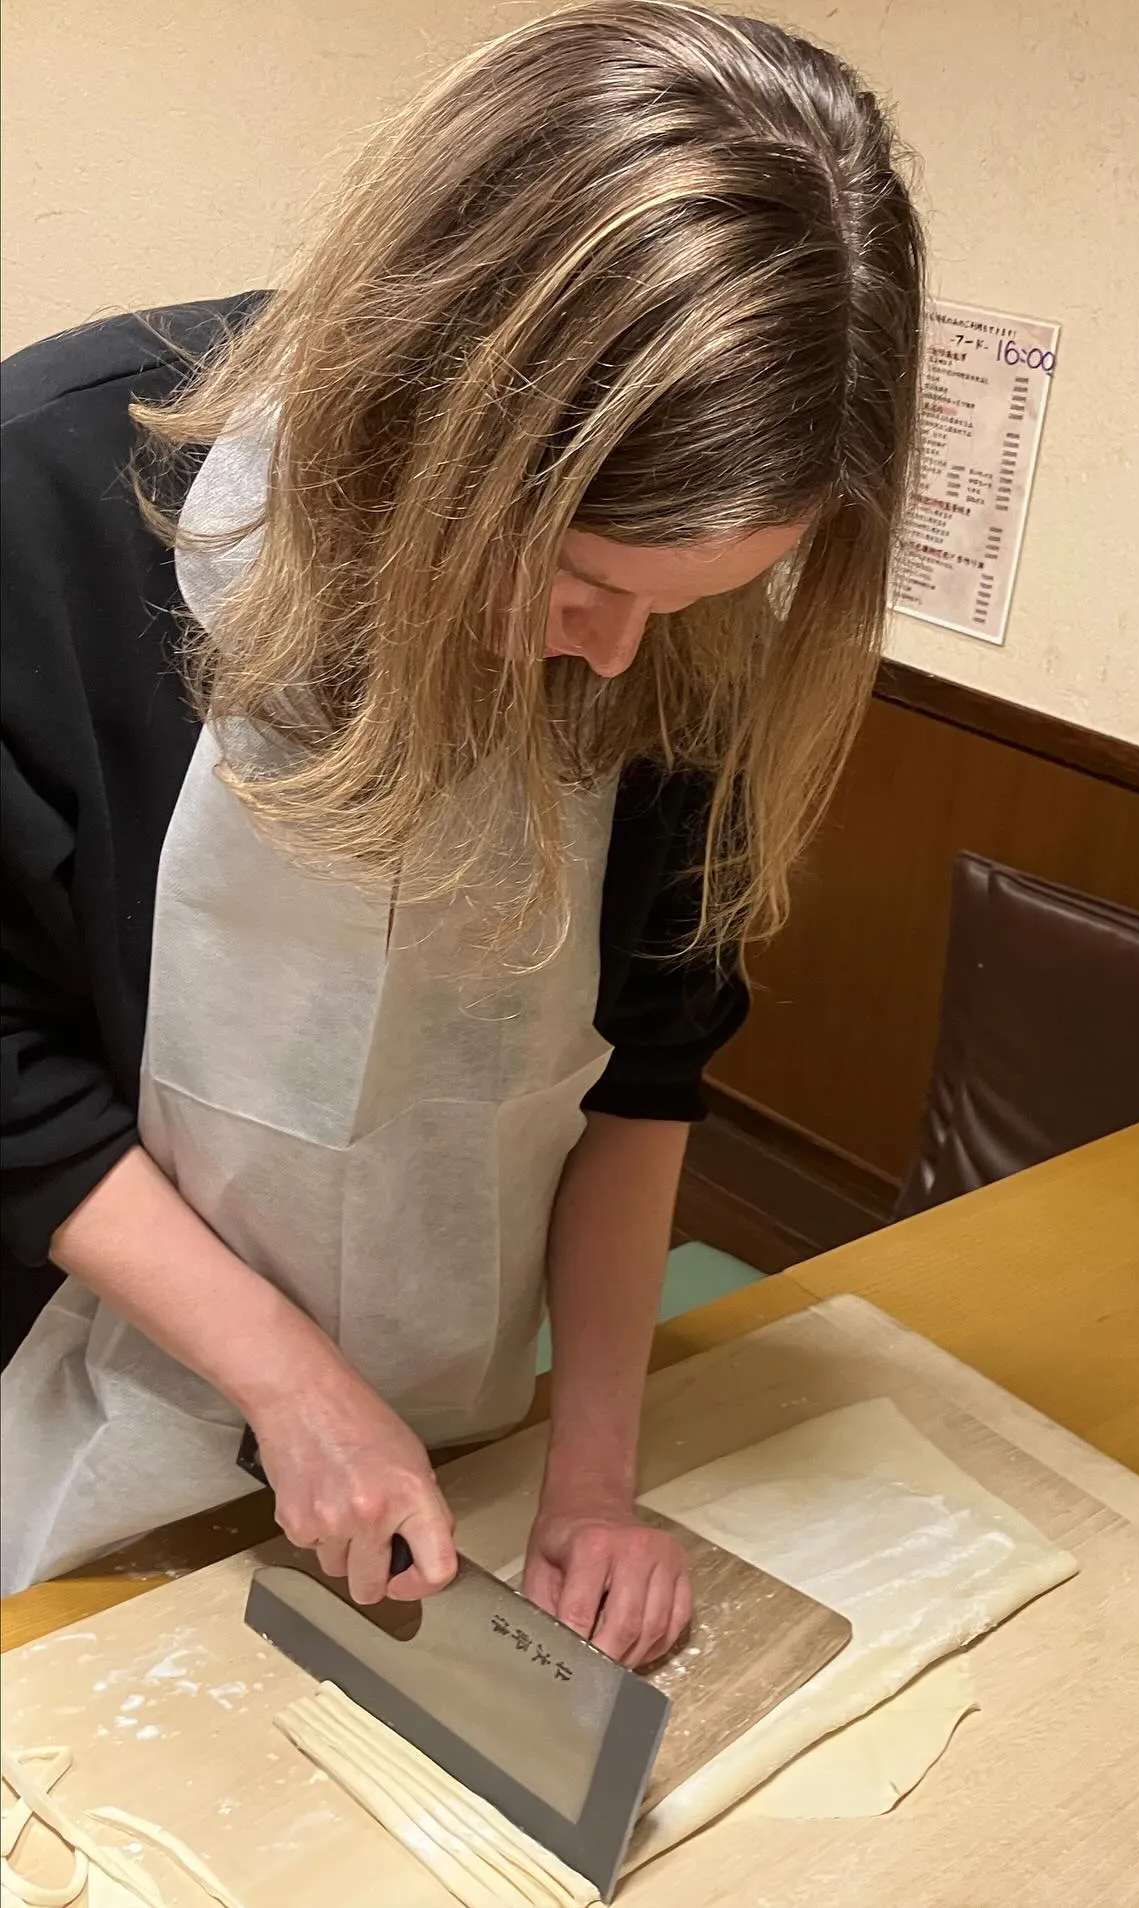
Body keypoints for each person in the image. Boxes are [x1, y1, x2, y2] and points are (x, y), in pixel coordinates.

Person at [0, 0, 923, 1663]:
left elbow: (649, 1064)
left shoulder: (675, 630)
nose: (620, 655)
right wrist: (287, 1382)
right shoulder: (49, 497)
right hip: (69, 1364)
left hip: (450, 1405)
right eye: (580, 580)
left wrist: (592, 1478)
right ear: (434, 422)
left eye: (689, 604)